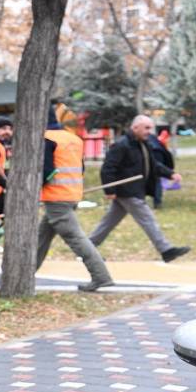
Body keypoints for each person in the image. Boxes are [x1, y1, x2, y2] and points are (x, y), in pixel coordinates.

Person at [89, 115, 191, 262]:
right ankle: (166, 250)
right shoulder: (122, 145)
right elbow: (108, 168)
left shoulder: (144, 144)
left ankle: (87, 247)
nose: (149, 131)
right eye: (146, 128)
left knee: (108, 222)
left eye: (150, 128)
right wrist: (109, 190)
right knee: (147, 219)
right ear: (135, 127)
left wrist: (170, 174)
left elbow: (153, 164)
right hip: (127, 190)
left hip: (135, 189)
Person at [35, 107, 114, 292]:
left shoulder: (47, 138)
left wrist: (31, 191)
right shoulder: (73, 139)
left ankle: (101, 276)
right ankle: (26, 272)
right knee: (42, 236)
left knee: (75, 238)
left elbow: (45, 171)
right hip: (71, 194)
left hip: (56, 196)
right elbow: (82, 168)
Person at [148, 133, 175, 209]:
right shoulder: (155, 140)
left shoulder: (144, 138)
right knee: (157, 180)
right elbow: (167, 155)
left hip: (153, 156)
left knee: (155, 180)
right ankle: (157, 203)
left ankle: (156, 202)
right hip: (159, 155)